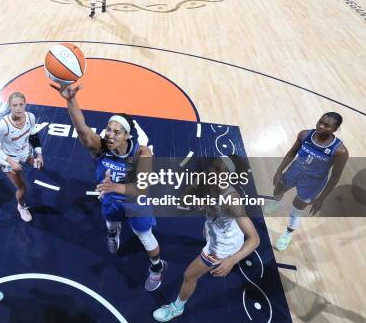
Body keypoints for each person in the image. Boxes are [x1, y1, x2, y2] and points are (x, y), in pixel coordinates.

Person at [53, 83, 167, 291]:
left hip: (135, 202)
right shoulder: (100, 148)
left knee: (145, 236)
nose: (110, 135)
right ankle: (114, 235)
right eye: (108, 130)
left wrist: (114, 186)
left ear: (127, 136)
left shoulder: (142, 154)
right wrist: (70, 100)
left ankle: (157, 267)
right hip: (111, 198)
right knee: (111, 226)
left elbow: (140, 188)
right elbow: (82, 129)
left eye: (117, 132)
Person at [153, 156, 261, 321]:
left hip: (223, 246)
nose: (211, 171)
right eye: (213, 166)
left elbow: (254, 239)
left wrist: (232, 260)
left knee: (189, 276)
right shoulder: (205, 179)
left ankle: (177, 308)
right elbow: (183, 200)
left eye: (218, 171)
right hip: (217, 230)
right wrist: (195, 195)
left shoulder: (232, 200)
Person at [264, 112, 348, 251]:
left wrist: (321, 198)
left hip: (313, 183)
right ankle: (276, 202)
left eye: (327, 125)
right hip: (294, 171)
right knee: (277, 191)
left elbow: (335, 177)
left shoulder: (340, 151)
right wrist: (279, 171)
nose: (321, 126)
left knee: (297, 208)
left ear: (335, 129)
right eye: (320, 122)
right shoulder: (304, 135)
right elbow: (292, 153)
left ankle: (287, 234)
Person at [0, 92, 44, 222]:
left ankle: (33, 160)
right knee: (22, 188)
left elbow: (33, 134)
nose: (18, 108)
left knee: (39, 166)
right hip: (9, 159)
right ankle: (21, 206)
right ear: (9, 106)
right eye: (15, 105)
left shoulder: (30, 117)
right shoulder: (2, 125)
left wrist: (39, 154)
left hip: (25, 152)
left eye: (21, 104)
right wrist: (10, 161)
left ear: (25, 104)